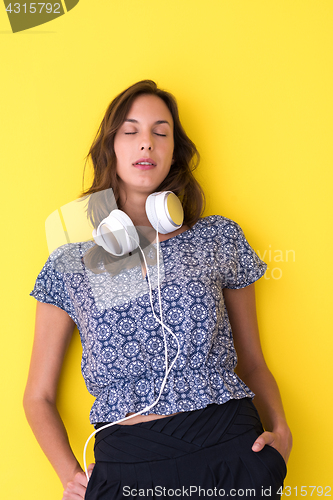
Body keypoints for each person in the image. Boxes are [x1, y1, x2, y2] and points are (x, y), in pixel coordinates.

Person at [24, 80, 292, 500]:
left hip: (231, 450)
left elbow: (252, 361)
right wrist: (69, 474)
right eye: (130, 132)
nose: (145, 144)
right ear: (111, 148)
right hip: (126, 465)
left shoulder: (217, 238)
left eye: (160, 132)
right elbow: (37, 396)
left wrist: (282, 433)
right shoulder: (69, 265)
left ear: (174, 151)